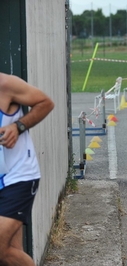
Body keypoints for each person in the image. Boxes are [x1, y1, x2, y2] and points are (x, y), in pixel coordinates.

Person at [0, 72, 54, 265]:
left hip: (18, 176)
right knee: (10, 252)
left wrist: (17, 127)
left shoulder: (5, 84)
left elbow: (45, 103)